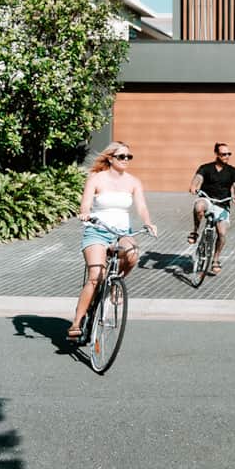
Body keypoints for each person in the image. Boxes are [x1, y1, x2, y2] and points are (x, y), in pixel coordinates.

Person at [68, 141, 157, 340]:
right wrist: (85, 214)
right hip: (98, 230)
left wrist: (148, 222)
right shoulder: (96, 178)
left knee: (133, 255)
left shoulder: (133, 182)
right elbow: (86, 204)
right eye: (122, 156)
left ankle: (116, 284)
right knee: (95, 275)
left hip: (122, 232)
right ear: (110, 158)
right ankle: (77, 321)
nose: (126, 160)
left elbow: (141, 207)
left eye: (129, 157)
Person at [187, 142, 235, 275]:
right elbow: (198, 178)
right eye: (223, 154)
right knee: (198, 206)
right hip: (207, 199)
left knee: (222, 234)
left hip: (222, 203)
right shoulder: (206, 168)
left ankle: (215, 259)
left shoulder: (233, 171)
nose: (227, 156)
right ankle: (195, 231)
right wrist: (194, 185)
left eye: (229, 154)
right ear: (216, 154)